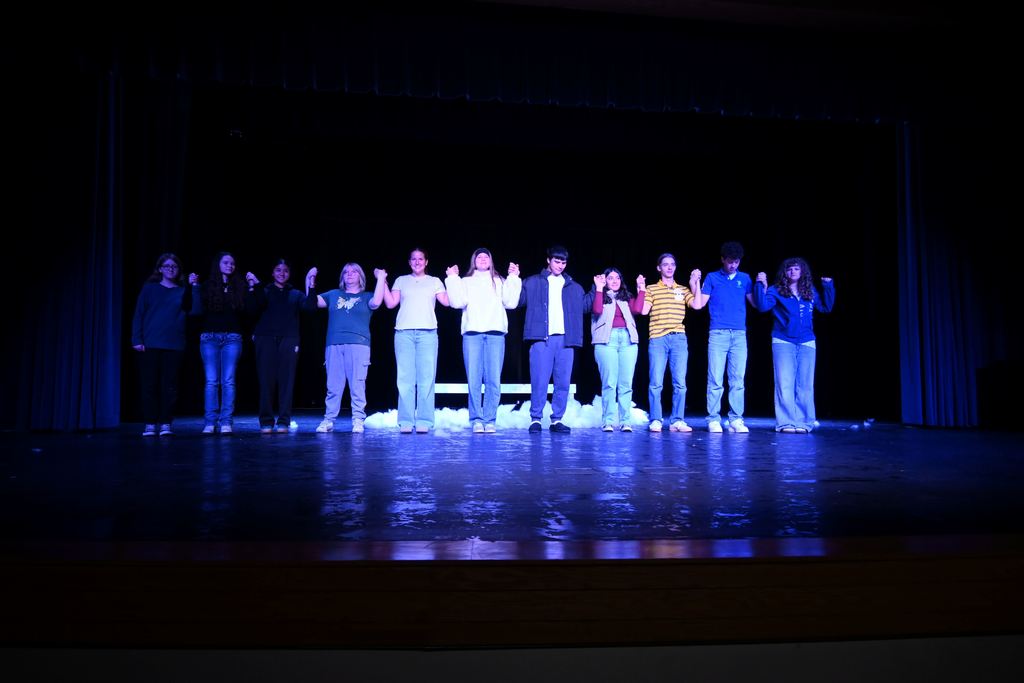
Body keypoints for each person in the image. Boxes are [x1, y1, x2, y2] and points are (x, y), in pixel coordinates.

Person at [752, 257, 835, 433]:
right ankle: (786, 422)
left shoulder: (809, 290)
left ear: (802, 271)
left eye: (796, 269)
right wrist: (760, 284)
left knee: (805, 384)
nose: (793, 272)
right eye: (789, 269)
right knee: (784, 382)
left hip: (807, 341)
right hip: (783, 340)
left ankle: (804, 422)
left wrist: (828, 286)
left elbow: (825, 308)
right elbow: (762, 306)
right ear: (784, 272)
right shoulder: (776, 290)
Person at [444, 248, 521, 433]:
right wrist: (452, 279)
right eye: (479, 256)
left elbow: (511, 303)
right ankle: (477, 419)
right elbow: (457, 302)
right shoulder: (465, 281)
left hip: (495, 333)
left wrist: (513, 277)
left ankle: (490, 419)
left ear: (491, 260)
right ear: (474, 260)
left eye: (486, 256)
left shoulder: (499, 280)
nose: (483, 259)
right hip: (473, 334)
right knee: (474, 379)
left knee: (493, 379)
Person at [306, 263, 386, 433]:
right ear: (342, 277)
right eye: (346, 272)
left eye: (354, 271)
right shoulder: (333, 294)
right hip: (334, 344)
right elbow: (311, 302)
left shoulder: (367, 296)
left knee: (357, 385)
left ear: (360, 277)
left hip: (359, 344)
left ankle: (358, 419)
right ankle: (328, 420)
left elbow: (377, 302)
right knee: (333, 386)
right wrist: (309, 279)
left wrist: (381, 277)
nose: (349, 274)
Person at [518, 245, 585, 434]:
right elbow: (518, 301)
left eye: (563, 262)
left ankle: (557, 419)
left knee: (562, 382)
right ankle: (536, 418)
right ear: (548, 260)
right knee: (539, 380)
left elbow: (585, 306)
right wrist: (514, 279)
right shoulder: (533, 282)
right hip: (542, 338)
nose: (560, 265)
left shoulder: (573, 286)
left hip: (565, 339)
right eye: (557, 261)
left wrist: (598, 289)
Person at [191, 252, 260, 434]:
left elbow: (251, 311)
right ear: (218, 264)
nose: (230, 265)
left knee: (228, 381)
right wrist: (195, 287)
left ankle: (226, 421)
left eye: (232, 263)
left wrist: (252, 286)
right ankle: (210, 422)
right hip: (209, 338)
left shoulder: (239, 286)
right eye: (226, 262)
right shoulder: (207, 286)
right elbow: (196, 311)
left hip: (232, 338)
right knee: (211, 381)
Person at [382, 248, 450, 434]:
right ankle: (406, 420)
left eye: (420, 259)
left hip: (427, 333)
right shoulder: (401, 280)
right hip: (404, 333)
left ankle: (424, 420)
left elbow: (446, 302)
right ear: (409, 262)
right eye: (413, 259)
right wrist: (383, 282)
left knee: (426, 378)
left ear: (426, 262)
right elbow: (390, 303)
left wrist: (452, 279)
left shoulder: (435, 281)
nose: (417, 262)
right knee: (405, 378)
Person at [642, 253, 706, 432]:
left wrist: (695, 283)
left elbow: (698, 305)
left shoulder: (683, 289)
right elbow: (645, 311)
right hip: (658, 338)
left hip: (678, 338)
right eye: (665, 264)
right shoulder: (652, 289)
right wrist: (641, 288)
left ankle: (677, 420)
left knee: (680, 383)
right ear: (659, 268)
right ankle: (656, 419)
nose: (669, 267)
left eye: (672, 264)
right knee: (656, 382)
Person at [131, 253, 192, 437]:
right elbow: (139, 313)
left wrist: (193, 287)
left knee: (170, 386)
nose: (171, 269)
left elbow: (194, 310)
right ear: (160, 269)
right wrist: (137, 339)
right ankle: (150, 423)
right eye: (167, 266)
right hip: (150, 343)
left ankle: (166, 423)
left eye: (174, 266)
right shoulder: (150, 289)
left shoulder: (182, 290)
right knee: (149, 385)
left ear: (179, 270)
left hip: (174, 345)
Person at [701, 241, 755, 433]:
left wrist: (761, 286)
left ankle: (736, 419)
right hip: (718, 333)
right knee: (715, 378)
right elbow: (700, 303)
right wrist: (694, 283)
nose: (733, 265)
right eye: (730, 261)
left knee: (737, 379)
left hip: (739, 334)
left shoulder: (745, 278)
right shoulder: (712, 277)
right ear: (723, 259)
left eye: (736, 262)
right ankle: (713, 419)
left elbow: (755, 303)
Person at [585, 268, 646, 432]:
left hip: (628, 340)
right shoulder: (599, 296)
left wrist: (642, 289)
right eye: (610, 278)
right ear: (605, 281)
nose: (614, 281)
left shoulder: (626, 297)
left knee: (626, 384)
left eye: (617, 278)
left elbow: (638, 310)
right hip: (606, 340)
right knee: (609, 383)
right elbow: (597, 310)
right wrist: (599, 288)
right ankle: (608, 421)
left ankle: (626, 421)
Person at [252, 259, 309, 434]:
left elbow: (310, 307)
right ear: (272, 273)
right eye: (278, 270)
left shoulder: (296, 294)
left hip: (289, 339)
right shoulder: (265, 290)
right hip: (265, 338)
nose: (282, 273)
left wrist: (311, 285)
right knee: (266, 381)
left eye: (285, 270)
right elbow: (253, 308)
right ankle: (266, 422)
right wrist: (255, 286)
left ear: (289, 273)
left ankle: (284, 421)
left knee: (287, 381)